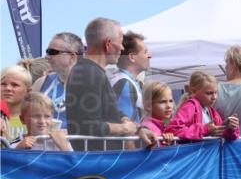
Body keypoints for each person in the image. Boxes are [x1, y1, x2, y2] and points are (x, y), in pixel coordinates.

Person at [65, 18, 156, 148]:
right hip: (99, 162)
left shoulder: (92, 71)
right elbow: (88, 126)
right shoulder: (88, 73)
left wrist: (138, 129)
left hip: (103, 160)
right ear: (108, 43)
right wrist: (124, 129)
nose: (122, 47)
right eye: (120, 42)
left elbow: (111, 112)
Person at [167, 71, 240, 141]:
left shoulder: (211, 111)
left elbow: (222, 133)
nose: (214, 97)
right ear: (194, 91)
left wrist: (230, 128)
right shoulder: (190, 106)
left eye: (216, 92)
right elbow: (173, 129)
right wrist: (205, 129)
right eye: (209, 93)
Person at [33, 32, 83, 128]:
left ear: (72, 57)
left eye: (53, 52)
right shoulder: (41, 82)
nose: (47, 56)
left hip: (76, 143)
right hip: (43, 142)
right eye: (47, 51)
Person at [109, 31, 151, 122]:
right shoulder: (124, 83)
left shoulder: (128, 81)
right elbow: (125, 128)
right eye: (145, 52)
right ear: (132, 57)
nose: (149, 56)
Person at [1, 64, 33, 142]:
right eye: (3, 84)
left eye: (15, 85)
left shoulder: (36, 118)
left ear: (28, 91)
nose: (8, 88)